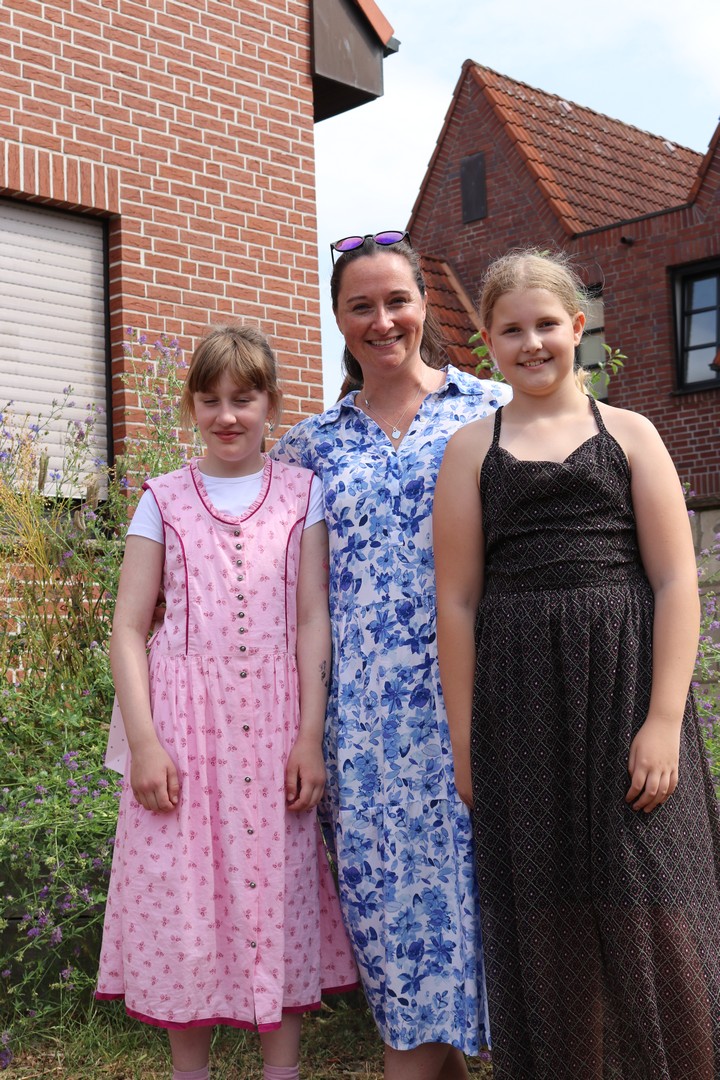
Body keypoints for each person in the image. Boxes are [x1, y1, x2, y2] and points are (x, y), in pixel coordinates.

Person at [433, 250, 720, 1079]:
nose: (531, 343)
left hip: (627, 697)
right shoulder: (470, 450)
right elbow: (457, 601)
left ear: (578, 327)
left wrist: (662, 720)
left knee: (657, 910)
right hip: (519, 707)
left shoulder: (631, 434)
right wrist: (466, 740)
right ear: (488, 342)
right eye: (511, 330)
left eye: (546, 324)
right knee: (547, 919)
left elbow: (676, 581)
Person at [271, 230, 511, 1080]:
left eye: (396, 300)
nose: (382, 321)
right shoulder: (309, 446)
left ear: (423, 305)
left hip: (482, 713)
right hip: (367, 737)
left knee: (494, 943)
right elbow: (277, 582)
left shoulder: (492, 409)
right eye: (361, 306)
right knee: (399, 952)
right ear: (338, 320)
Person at [96, 324, 357, 1080]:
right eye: (209, 400)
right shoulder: (163, 500)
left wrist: (309, 736)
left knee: (278, 888)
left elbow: (312, 620)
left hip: (275, 727)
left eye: (244, 398)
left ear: (271, 403)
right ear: (191, 407)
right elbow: (127, 626)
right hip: (184, 728)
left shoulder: (302, 495)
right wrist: (145, 742)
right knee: (183, 895)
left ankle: (282, 1069)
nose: (227, 416)